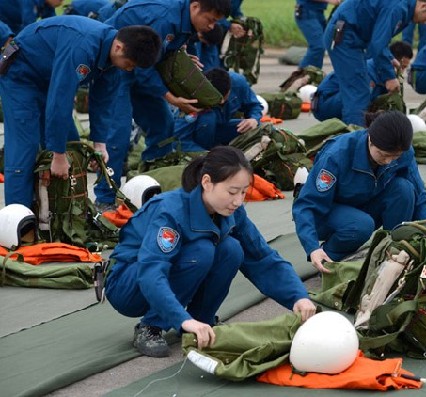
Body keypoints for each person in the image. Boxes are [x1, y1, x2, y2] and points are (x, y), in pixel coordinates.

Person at [105, 146, 316, 357]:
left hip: (163, 272)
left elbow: (261, 257)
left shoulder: (232, 211)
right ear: (206, 182)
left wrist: (298, 296)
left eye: (243, 192)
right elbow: (151, 272)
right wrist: (182, 319)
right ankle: (151, 327)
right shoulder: (170, 211)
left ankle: (201, 320)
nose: (238, 201)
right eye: (232, 192)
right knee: (202, 251)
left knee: (232, 250)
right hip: (128, 283)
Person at [0, 16, 161, 209]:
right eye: (130, 63)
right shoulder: (83, 46)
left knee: (72, 148)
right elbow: (60, 99)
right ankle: (18, 219)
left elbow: (103, 101)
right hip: (22, 75)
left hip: (49, 77)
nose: (129, 69)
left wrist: (99, 144)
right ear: (118, 47)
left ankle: (61, 214)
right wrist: (57, 155)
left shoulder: (114, 58)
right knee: (25, 146)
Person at [93, 0, 232, 212]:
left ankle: (150, 181)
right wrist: (169, 96)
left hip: (143, 70)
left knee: (163, 126)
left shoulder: (186, 23)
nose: (212, 26)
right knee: (117, 134)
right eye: (210, 20)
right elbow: (142, 64)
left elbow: (162, 55)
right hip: (118, 66)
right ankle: (104, 198)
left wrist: (182, 58)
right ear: (195, 7)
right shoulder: (164, 18)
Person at [292, 111, 426, 272]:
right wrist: (312, 248)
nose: (388, 161)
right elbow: (307, 205)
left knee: (405, 190)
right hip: (327, 212)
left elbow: (420, 196)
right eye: (383, 154)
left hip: (364, 204)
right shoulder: (337, 155)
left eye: (394, 157)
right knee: (361, 224)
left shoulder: (403, 153)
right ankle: (329, 260)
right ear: (370, 139)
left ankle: (393, 253)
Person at [323, 0, 426, 127]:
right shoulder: (398, 7)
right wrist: (389, 77)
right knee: (358, 92)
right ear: (423, 6)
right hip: (345, 36)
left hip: (354, 38)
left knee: (360, 89)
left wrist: (388, 58)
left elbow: (381, 37)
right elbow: (377, 44)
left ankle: (354, 131)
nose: (425, 22)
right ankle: (356, 136)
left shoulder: (405, 9)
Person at [312, 41, 413, 122]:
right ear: (392, 61)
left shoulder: (385, 74)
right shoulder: (368, 71)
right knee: (362, 96)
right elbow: (356, 103)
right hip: (324, 104)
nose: (402, 71)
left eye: (405, 68)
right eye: (402, 67)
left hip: (339, 100)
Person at [173, 69, 262, 152]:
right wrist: (204, 154)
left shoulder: (238, 83)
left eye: (224, 97)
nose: (222, 101)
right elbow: (178, 139)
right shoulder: (192, 96)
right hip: (199, 137)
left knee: (256, 128)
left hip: (221, 130)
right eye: (217, 99)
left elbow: (254, 105)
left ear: (230, 88)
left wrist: (254, 119)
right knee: (208, 118)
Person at [295, 0, 340, 70]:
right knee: (318, 47)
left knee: (334, 43)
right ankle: (302, 76)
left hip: (319, 13)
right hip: (306, 13)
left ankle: (315, 75)